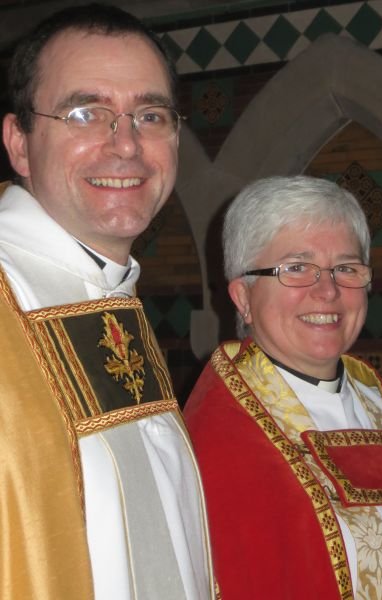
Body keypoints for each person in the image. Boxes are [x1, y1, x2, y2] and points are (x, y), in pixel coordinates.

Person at [0, 4, 214, 599]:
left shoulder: (110, 295)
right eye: (85, 112)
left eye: (150, 114)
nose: (126, 145)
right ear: (19, 142)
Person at [184, 175, 382, 600]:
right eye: (296, 269)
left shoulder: (377, 400)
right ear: (243, 298)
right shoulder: (221, 435)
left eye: (346, 268)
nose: (327, 291)